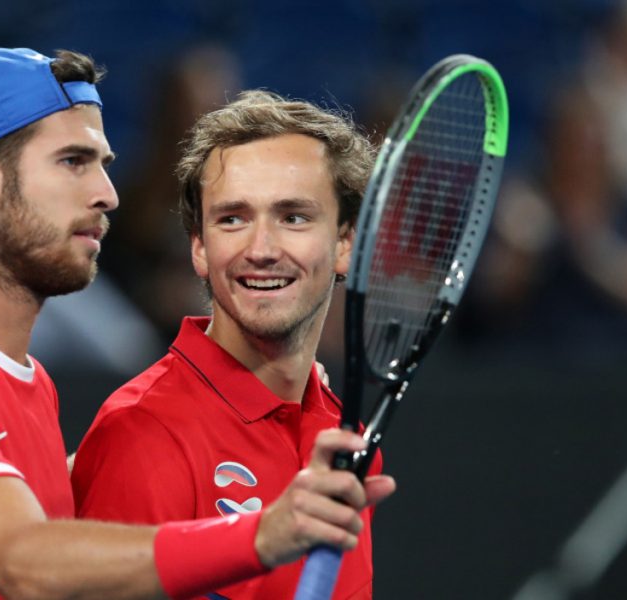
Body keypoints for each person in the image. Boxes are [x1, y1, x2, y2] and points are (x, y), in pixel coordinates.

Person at [0, 48, 393, 600]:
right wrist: (263, 535)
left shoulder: (29, 387)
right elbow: (20, 561)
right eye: (74, 161)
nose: (108, 193)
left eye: (102, 163)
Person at [72, 91, 395, 599]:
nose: (261, 250)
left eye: (293, 217)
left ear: (345, 243)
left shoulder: (341, 440)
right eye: (232, 219)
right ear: (199, 247)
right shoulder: (143, 431)